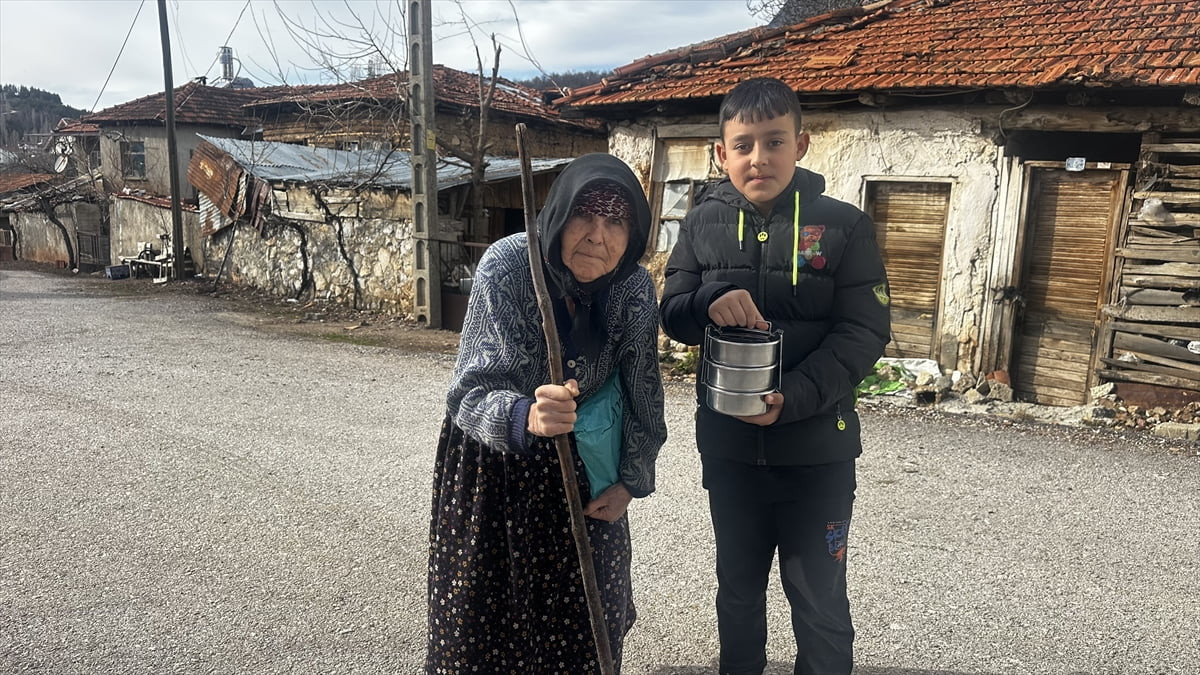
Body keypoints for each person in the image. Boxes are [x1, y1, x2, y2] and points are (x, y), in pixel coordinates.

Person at [660, 77, 891, 675]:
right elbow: (673, 313)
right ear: (722, 153)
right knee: (737, 595)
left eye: (774, 141)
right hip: (731, 452)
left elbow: (864, 333)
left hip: (817, 455)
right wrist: (706, 299)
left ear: (801, 145)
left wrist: (793, 398)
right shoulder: (700, 223)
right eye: (742, 145)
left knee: (819, 602)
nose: (758, 158)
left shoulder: (844, 226)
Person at [426, 153, 667, 673]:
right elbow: (469, 394)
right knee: (486, 630)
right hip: (498, 468)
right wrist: (524, 415)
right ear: (558, 213)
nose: (597, 236)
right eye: (584, 214)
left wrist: (631, 480)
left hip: (585, 472)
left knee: (588, 625)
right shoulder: (508, 266)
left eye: (616, 222)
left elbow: (644, 390)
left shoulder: (632, 287)